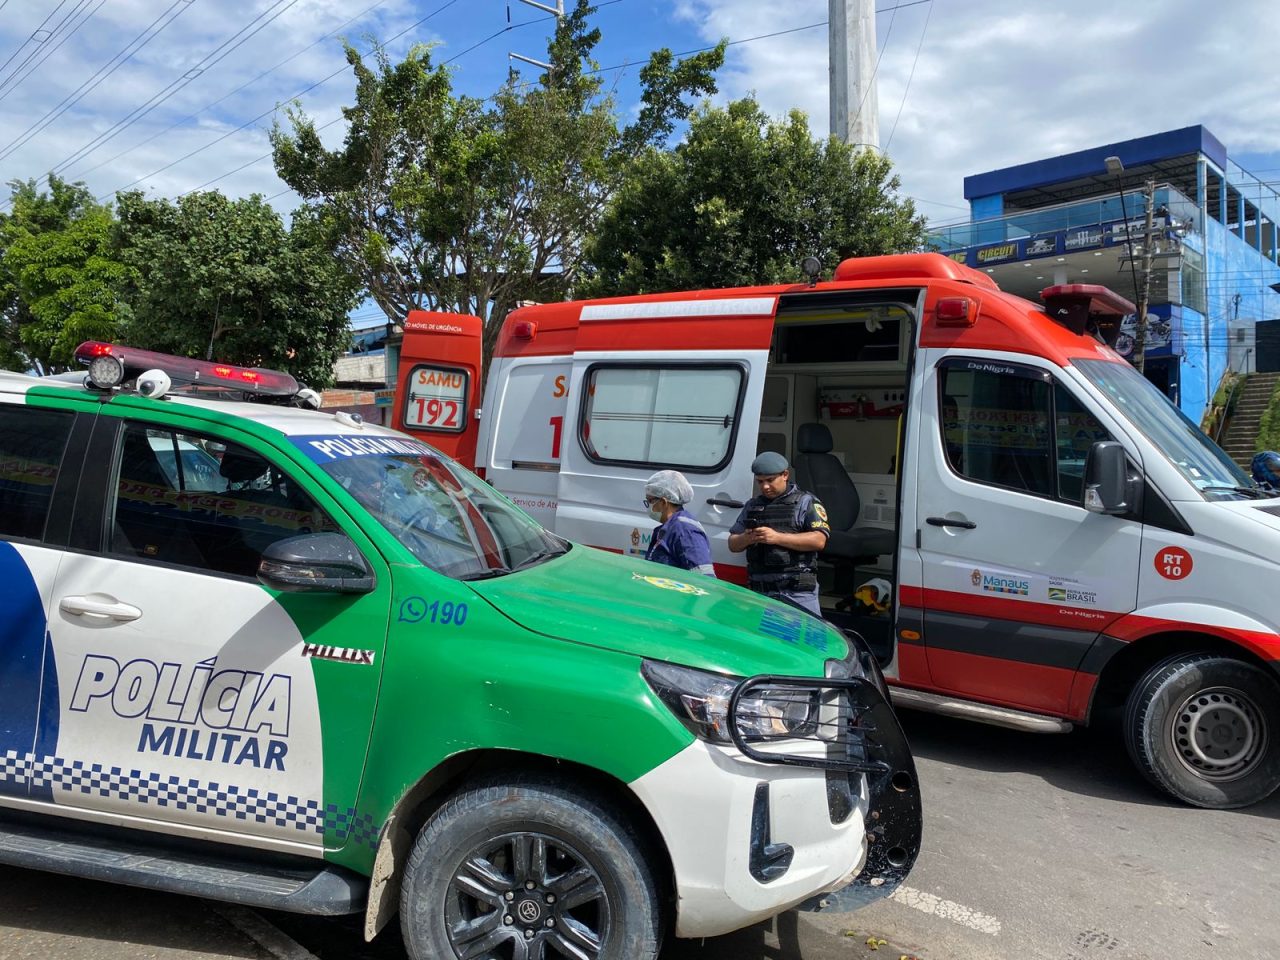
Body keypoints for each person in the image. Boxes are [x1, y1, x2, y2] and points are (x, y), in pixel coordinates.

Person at [727, 452, 830, 616]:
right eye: (760, 481)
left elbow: (819, 540)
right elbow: (733, 544)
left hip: (796, 594)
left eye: (770, 480)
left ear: (785, 475)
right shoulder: (752, 505)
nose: (765, 487)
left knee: (802, 633)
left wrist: (776, 537)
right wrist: (747, 538)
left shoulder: (806, 502)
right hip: (760, 594)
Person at [643, 470, 716, 577]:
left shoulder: (685, 531)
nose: (648, 505)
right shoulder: (667, 528)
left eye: (650, 501)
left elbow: (703, 579)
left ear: (663, 502)